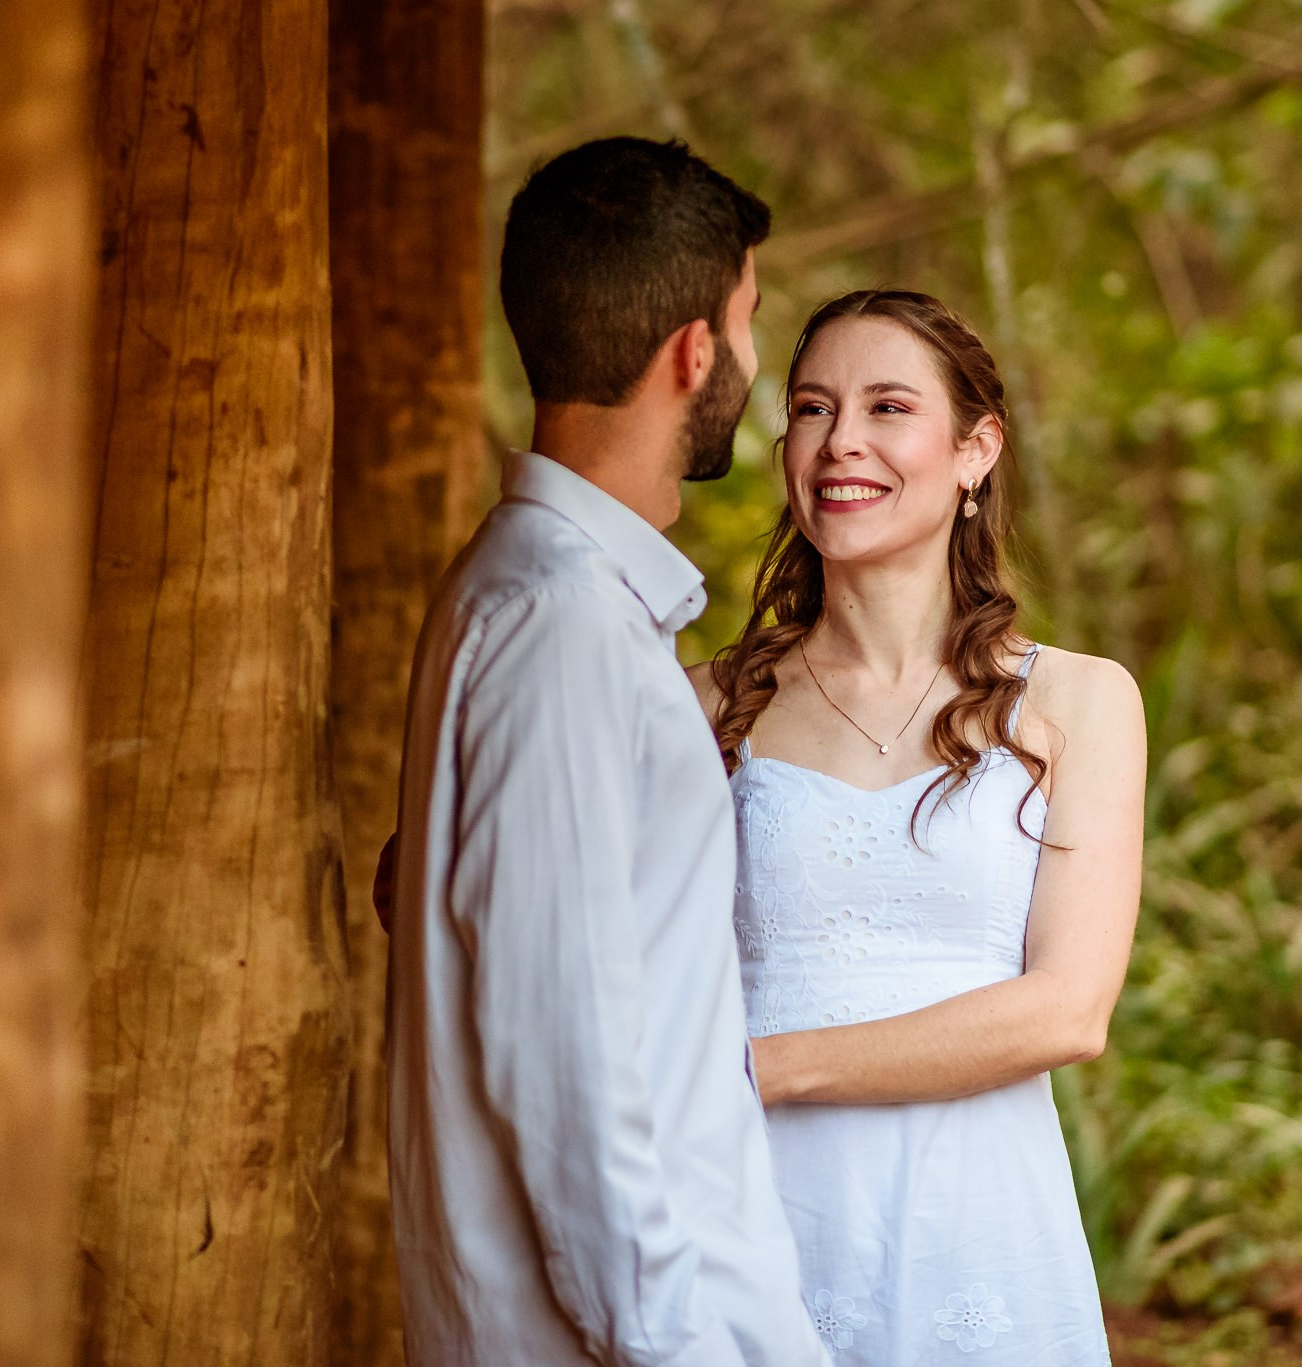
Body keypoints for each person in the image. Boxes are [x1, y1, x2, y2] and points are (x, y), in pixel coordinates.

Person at [386, 137, 834, 1367]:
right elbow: (557, 1032)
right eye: (747, 323)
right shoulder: (560, 624)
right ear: (692, 349)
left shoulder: (544, 600)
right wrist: (670, 1338)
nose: (749, 359)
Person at [690, 289, 1143, 1365]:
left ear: (974, 448)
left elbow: (1066, 1011)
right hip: (755, 1209)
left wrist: (762, 1067)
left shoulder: (1077, 702)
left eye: (886, 406)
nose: (840, 440)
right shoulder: (697, 707)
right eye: (809, 408)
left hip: (977, 1220)